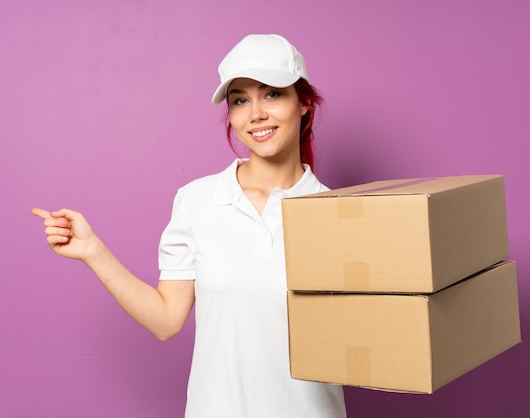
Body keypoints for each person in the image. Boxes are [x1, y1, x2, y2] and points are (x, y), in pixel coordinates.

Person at [32, 34, 347, 417]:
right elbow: (165, 320)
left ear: (304, 103)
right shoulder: (196, 201)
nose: (255, 114)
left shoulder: (339, 213)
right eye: (240, 100)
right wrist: (93, 251)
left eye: (272, 94)